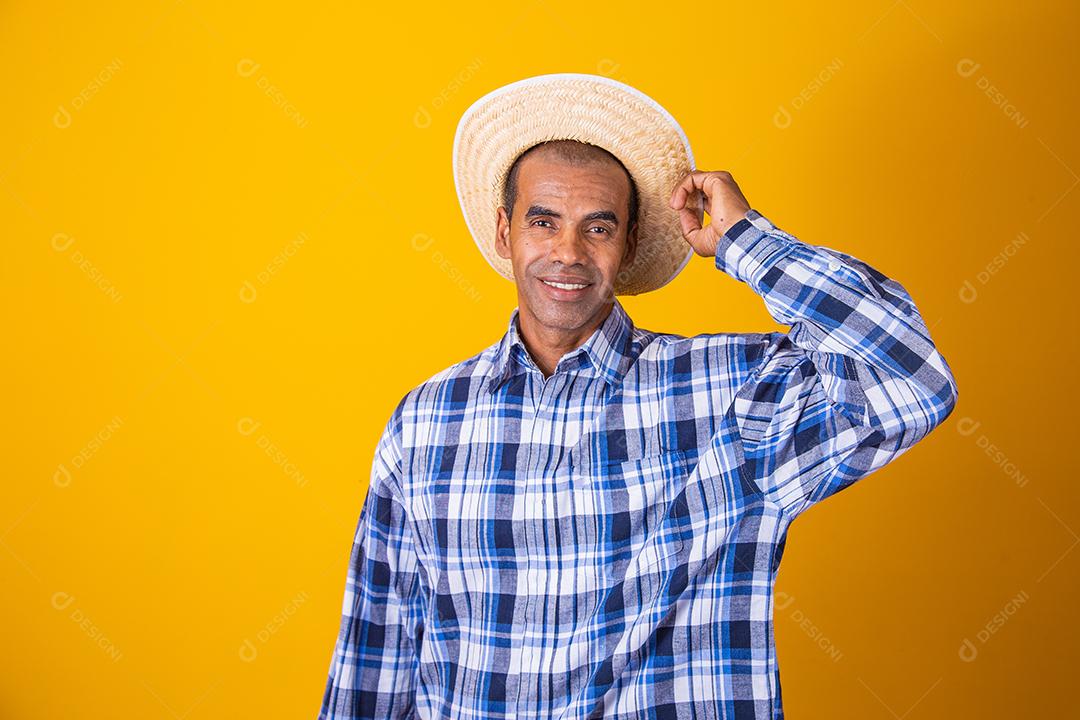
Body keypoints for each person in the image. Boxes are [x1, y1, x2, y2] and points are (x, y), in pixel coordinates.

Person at [317, 73, 958, 720]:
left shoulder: (728, 395)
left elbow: (910, 379)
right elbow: (376, 652)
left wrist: (747, 243)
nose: (567, 253)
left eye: (598, 228)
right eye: (545, 222)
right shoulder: (426, 422)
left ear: (626, 246)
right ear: (506, 232)